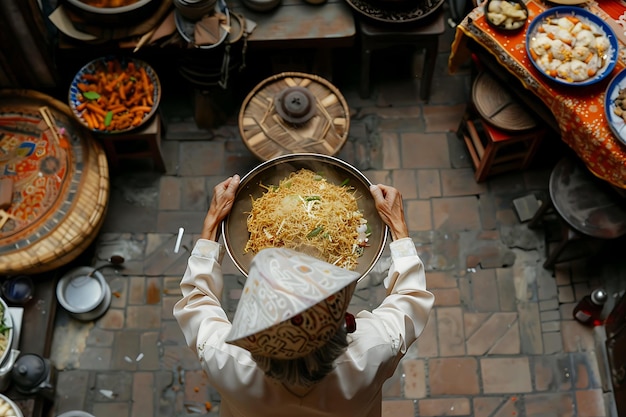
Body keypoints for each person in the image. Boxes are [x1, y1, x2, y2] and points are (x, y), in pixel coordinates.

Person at [174, 174, 434, 417]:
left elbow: (197, 302)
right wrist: (398, 226)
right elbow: (410, 299)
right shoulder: (372, 352)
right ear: (344, 327)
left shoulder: (225, 359)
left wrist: (211, 225)